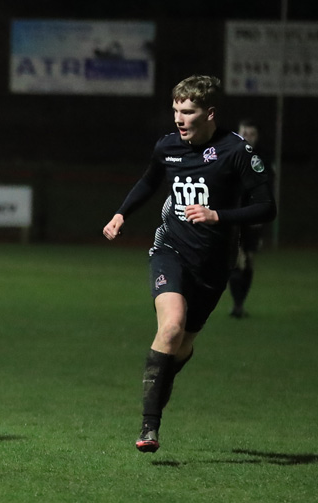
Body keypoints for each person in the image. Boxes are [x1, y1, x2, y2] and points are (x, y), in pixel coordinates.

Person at [102, 75, 276, 453]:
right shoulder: (167, 147)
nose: (179, 119)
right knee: (171, 328)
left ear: (209, 113)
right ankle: (150, 427)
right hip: (171, 250)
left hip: (214, 265)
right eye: (176, 110)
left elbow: (267, 206)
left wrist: (218, 216)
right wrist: (121, 215)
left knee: (182, 345)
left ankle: (163, 378)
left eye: (188, 111)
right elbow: (149, 181)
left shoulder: (236, 152)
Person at [228, 119, 268, 318]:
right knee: (237, 260)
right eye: (244, 133)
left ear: (257, 137)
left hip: (253, 219)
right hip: (233, 217)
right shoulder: (230, 154)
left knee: (249, 261)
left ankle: (240, 304)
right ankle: (236, 305)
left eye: (251, 134)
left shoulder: (262, 159)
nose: (248, 137)